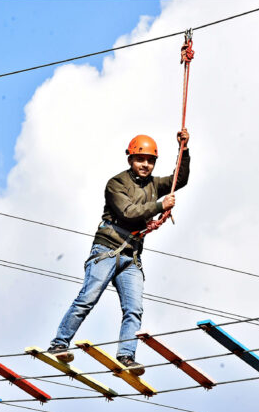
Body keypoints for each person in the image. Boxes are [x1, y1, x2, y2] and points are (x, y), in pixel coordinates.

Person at [48, 129, 190, 375]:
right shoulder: (116, 183)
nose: (145, 165)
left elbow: (181, 178)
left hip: (131, 256)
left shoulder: (155, 184)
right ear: (130, 160)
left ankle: (126, 356)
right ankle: (58, 343)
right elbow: (128, 212)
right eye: (140, 159)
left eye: (150, 161)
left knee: (134, 308)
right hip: (107, 249)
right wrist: (159, 205)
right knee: (88, 298)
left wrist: (184, 150)